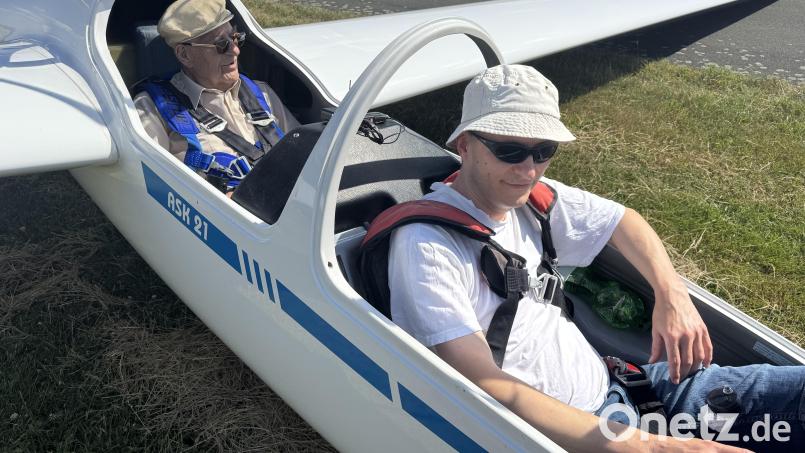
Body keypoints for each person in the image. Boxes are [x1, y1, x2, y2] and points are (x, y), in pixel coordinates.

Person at [385, 64, 804, 451]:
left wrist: (671, 294)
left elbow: (625, 220)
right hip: (579, 437)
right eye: (509, 150)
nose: (528, 169)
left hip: (636, 388)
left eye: (544, 150)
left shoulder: (530, 200)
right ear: (465, 144)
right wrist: (659, 446)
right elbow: (480, 381)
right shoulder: (428, 245)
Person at [134, 0, 299, 195]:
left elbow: (302, 148)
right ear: (184, 55)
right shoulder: (153, 108)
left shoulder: (260, 93)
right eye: (221, 44)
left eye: (235, 38)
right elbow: (149, 184)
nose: (235, 50)